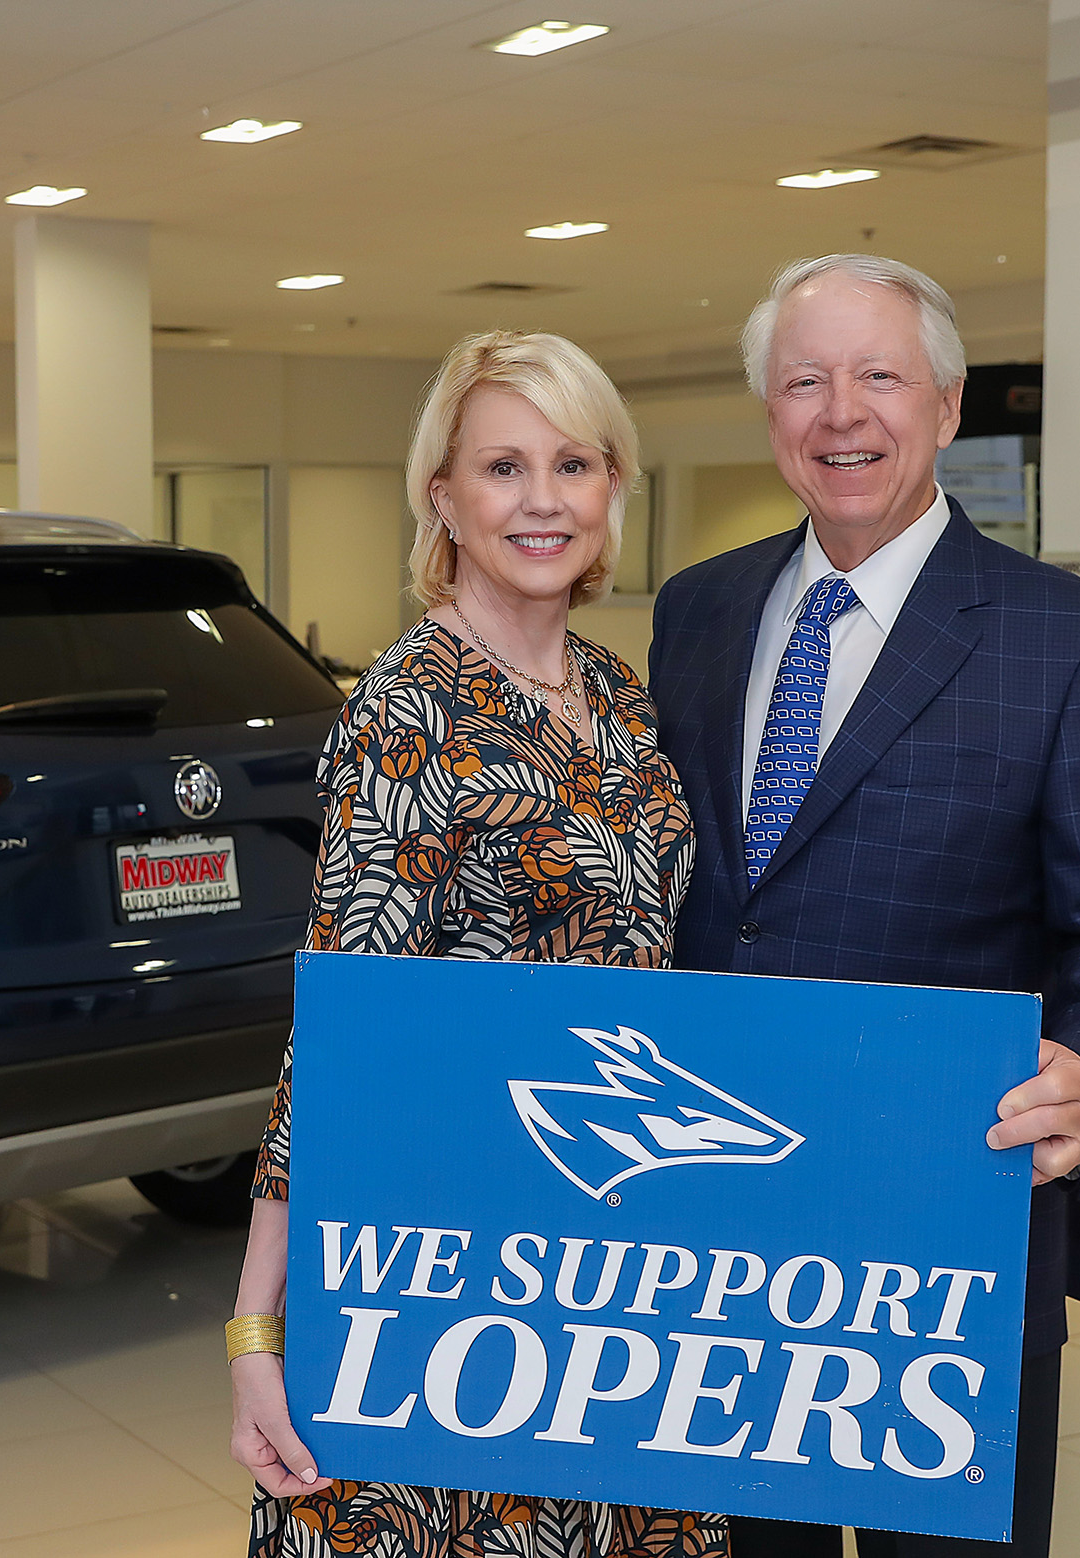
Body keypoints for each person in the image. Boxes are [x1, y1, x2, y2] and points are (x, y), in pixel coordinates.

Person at [647, 255, 1080, 1557]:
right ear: (771, 414)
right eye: (805, 381)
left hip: (948, 1222)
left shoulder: (1071, 641)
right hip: (719, 1236)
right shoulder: (697, 611)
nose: (843, 412)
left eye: (880, 375)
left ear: (948, 405)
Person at [226, 330, 726, 1558]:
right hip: (450, 1253)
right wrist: (257, 1318)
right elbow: (344, 1024)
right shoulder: (409, 708)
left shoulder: (617, 693)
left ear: (614, 487)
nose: (543, 499)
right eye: (503, 467)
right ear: (442, 496)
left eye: (574, 462)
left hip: (619, 1235)